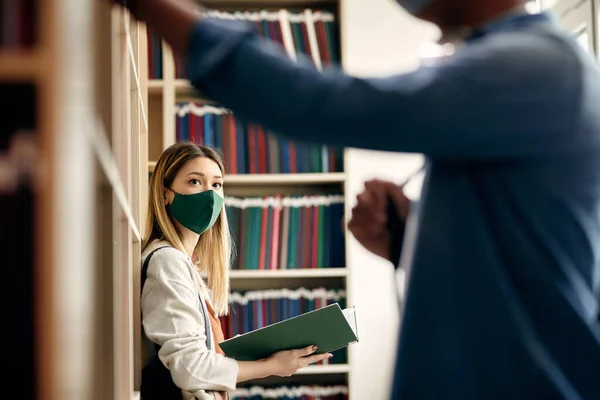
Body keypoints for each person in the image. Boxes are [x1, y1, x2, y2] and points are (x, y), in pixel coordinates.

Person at [111, 0, 600, 398]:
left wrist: (155, 9)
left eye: (216, 183)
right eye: (196, 182)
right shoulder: (522, 68)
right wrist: (412, 239)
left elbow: (319, 101)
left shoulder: (532, 64)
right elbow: (522, 259)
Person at [141, 142, 332, 400]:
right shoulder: (167, 260)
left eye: (216, 184)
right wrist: (271, 367)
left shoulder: (183, 262)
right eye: (195, 182)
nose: (209, 195)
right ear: (166, 194)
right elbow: (190, 368)